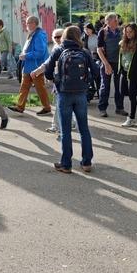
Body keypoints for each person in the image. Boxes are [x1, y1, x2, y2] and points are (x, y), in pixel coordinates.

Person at [33, 26, 95, 174]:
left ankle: (66, 164)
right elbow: (96, 71)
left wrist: (56, 80)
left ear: (64, 36)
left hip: (63, 93)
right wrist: (86, 83)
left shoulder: (58, 50)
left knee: (65, 130)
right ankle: (87, 162)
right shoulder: (84, 52)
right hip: (80, 93)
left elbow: (47, 71)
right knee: (84, 128)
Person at [7, 16, 52, 115]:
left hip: (36, 67)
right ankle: (20, 106)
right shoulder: (34, 34)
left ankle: (47, 107)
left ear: (33, 24)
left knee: (40, 88)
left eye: (27, 23)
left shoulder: (39, 35)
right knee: (24, 87)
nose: (26, 25)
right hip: (29, 66)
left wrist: (26, 56)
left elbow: (40, 52)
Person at [96, 13, 127, 117]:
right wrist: (106, 64)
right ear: (108, 22)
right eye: (115, 20)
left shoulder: (121, 31)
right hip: (106, 62)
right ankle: (102, 109)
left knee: (119, 87)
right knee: (105, 86)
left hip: (119, 63)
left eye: (117, 20)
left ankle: (119, 108)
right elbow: (99, 49)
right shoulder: (102, 32)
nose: (117, 22)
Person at [117, 23, 137, 127]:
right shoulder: (123, 42)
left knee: (132, 95)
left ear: (135, 31)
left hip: (134, 72)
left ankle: (131, 118)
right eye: (126, 31)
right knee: (122, 91)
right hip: (124, 71)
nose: (128, 34)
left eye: (130, 31)